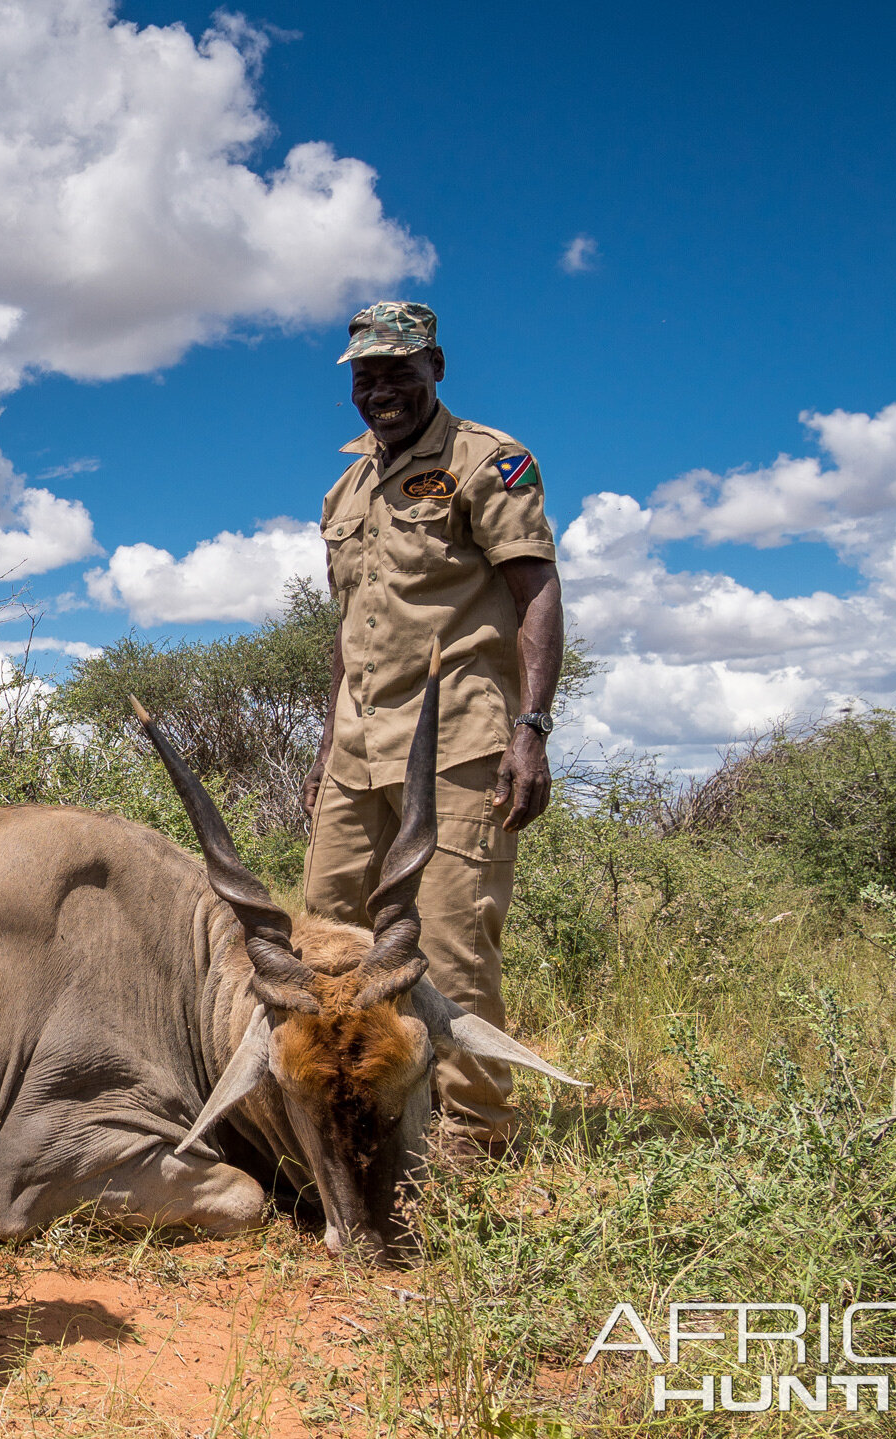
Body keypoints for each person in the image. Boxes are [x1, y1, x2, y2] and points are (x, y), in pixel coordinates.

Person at [303, 301, 564, 1162]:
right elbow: (353, 631)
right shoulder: (345, 488)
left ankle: (473, 1133)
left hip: (457, 740)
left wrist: (530, 727)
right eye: (365, 375)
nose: (380, 389)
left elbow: (535, 592)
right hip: (355, 747)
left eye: (398, 371)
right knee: (327, 940)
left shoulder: (489, 462)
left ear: (436, 366)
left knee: (450, 940)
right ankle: (351, 1116)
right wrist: (323, 745)